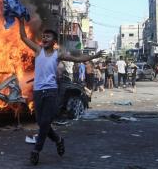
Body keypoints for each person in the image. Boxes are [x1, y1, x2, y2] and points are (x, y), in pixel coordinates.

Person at [19, 18, 105, 165]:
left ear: (54, 42)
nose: (45, 38)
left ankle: (36, 150)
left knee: (45, 121)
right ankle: (58, 140)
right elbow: (23, 37)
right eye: (44, 36)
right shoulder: (38, 50)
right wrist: (20, 20)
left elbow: (77, 59)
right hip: (38, 91)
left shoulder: (57, 54)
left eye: (48, 36)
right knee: (42, 123)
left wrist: (94, 56)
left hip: (51, 91)